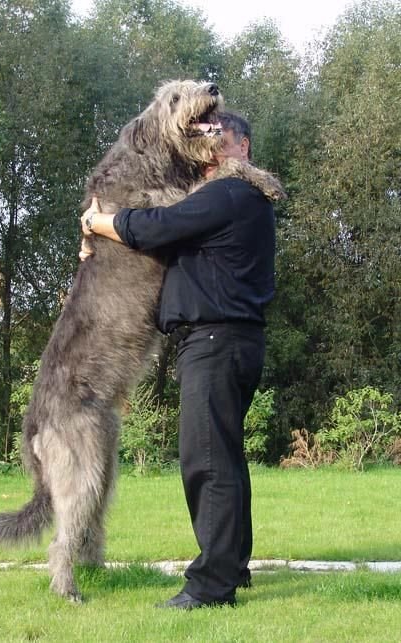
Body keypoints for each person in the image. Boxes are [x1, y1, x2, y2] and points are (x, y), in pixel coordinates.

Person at [81, 111, 276, 609]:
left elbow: (157, 226)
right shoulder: (230, 200)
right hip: (226, 341)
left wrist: (101, 221)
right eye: (203, 138)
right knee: (224, 459)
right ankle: (233, 569)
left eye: (222, 138)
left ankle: (211, 587)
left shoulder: (228, 193)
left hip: (214, 341)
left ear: (244, 147)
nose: (211, 146)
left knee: (206, 463)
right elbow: (165, 244)